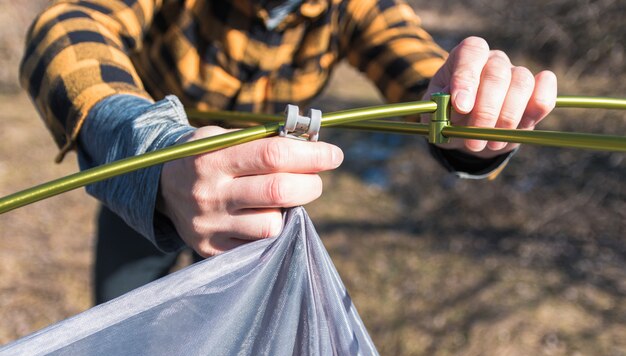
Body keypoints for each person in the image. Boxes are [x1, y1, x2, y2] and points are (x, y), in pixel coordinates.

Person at [20, 0, 557, 303]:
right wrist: (156, 155)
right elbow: (68, 29)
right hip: (144, 197)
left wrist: (471, 113)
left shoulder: (357, 8)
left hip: (261, 221)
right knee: (123, 334)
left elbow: (420, 76)